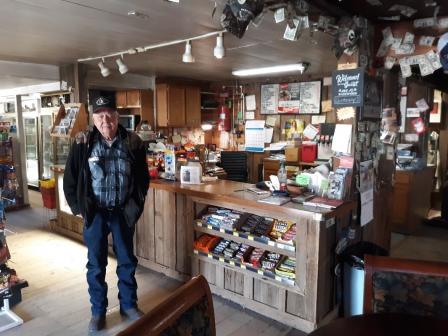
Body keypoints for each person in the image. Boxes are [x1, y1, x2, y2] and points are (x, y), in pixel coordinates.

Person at [63, 95, 149, 333]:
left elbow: (143, 179)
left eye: (109, 115)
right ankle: (98, 312)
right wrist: (79, 209)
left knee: (127, 262)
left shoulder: (133, 142)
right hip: (96, 213)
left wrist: (135, 208)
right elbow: (70, 180)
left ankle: (129, 306)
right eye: (100, 116)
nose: (105, 120)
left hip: (122, 212)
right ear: (93, 119)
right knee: (96, 265)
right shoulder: (82, 143)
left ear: (117, 116)